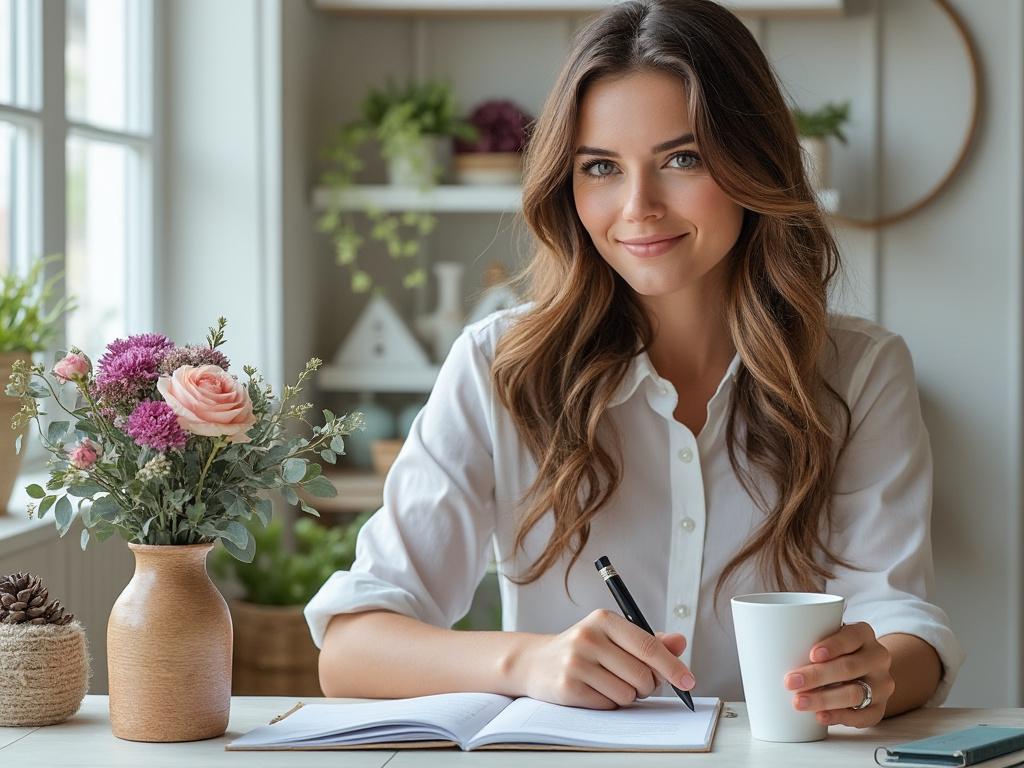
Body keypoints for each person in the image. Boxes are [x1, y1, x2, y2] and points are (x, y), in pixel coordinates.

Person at [306, 0, 964, 728]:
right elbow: (350, 648)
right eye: (600, 168)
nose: (638, 206)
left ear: (754, 162)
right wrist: (530, 662)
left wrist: (872, 678)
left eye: (682, 159)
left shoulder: (860, 372)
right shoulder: (499, 365)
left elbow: (905, 623)